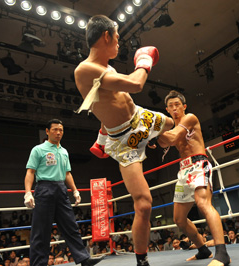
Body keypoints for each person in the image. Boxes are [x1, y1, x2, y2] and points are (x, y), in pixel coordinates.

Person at [74, 15, 174, 266]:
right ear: (106, 36)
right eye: (117, 38)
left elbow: (104, 106)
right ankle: (141, 260)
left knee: (174, 124)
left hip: (140, 118)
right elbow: (135, 85)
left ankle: (156, 141)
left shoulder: (107, 68)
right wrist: (144, 60)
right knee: (144, 204)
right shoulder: (84, 70)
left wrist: (101, 133)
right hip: (123, 141)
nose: (119, 44)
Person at [156, 90, 230, 266]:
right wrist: (151, 132)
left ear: (184, 107)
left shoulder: (190, 118)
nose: (174, 108)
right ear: (167, 109)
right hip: (183, 170)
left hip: (199, 164)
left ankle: (222, 253)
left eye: (177, 105)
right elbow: (163, 142)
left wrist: (152, 127)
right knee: (179, 219)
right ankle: (203, 249)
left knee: (203, 204)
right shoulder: (170, 127)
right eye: (171, 106)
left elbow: (171, 139)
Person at [23, 119, 105, 266]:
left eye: (61, 130)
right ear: (47, 131)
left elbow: (67, 174)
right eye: (55, 129)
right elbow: (30, 172)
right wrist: (28, 192)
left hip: (61, 189)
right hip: (44, 188)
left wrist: (75, 191)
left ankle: (84, 259)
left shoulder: (64, 151)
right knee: (41, 230)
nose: (58, 132)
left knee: (71, 225)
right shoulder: (38, 149)